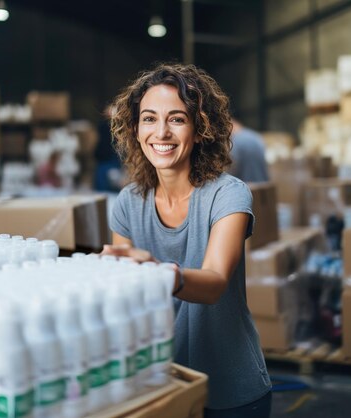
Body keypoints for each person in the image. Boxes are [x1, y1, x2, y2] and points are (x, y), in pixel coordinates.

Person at [101, 63, 272, 418]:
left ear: (200, 128)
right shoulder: (128, 203)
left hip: (231, 390)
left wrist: (158, 273)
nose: (161, 132)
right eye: (149, 119)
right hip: (162, 385)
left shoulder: (228, 195)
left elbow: (213, 284)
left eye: (177, 119)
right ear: (134, 128)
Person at [229, 118, 269, 183]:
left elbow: (232, 166)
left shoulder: (236, 141)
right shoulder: (255, 136)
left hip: (248, 186)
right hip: (263, 183)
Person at [94, 105, 124, 192]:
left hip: (112, 158)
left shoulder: (119, 126)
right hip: (105, 157)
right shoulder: (103, 126)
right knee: (102, 184)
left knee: (112, 182)